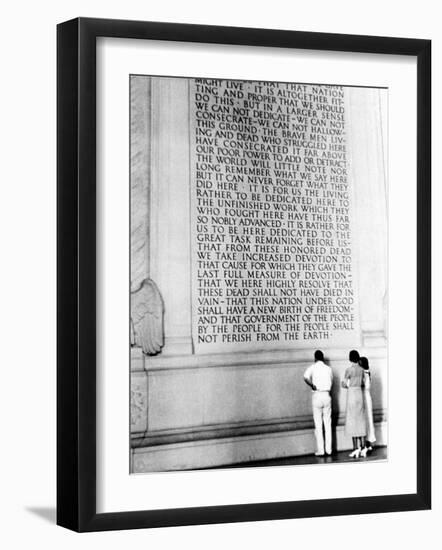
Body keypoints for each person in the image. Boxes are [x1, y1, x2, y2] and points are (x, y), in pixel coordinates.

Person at [304, 350, 333, 457]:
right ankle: (329, 450)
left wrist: (312, 385)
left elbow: (305, 377)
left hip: (317, 396)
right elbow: (332, 381)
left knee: (318, 425)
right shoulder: (328, 369)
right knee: (328, 424)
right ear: (323, 358)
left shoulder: (312, 367)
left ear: (315, 358)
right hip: (327, 395)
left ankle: (321, 450)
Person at [341, 350, 367, 458]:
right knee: (361, 420)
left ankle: (356, 448)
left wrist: (345, 385)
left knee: (352, 420)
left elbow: (344, 384)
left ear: (350, 358)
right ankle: (363, 446)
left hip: (352, 394)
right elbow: (363, 383)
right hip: (359, 394)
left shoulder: (348, 370)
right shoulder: (362, 370)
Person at [360, 356, 376, 453]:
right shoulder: (367, 372)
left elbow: (364, 386)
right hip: (366, 397)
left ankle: (367, 444)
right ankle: (368, 443)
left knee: (367, 420)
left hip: (365, 398)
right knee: (368, 420)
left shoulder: (365, 373)